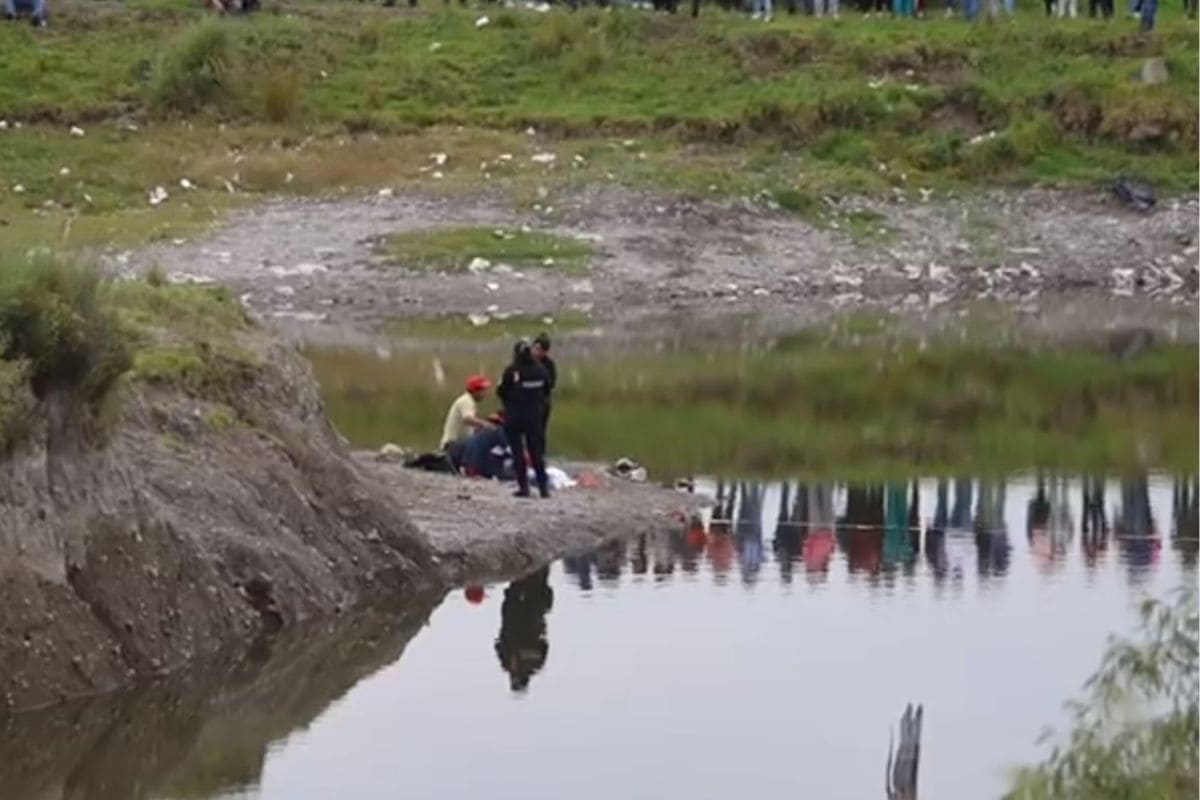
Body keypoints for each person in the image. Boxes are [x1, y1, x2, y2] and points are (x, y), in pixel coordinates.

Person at [497, 340, 551, 499]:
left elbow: (502, 391)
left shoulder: (511, 370)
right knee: (536, 453)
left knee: (517, 453)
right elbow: (547, 391)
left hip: (514, 416)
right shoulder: (541, 370)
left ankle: (524, 487)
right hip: (534, 417)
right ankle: (543, 488)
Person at [440, 374, 494, 460]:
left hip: (459, 444)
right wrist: (486, 425)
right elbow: (467, 419)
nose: (485, 394)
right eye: (483, 391)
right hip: (453, 445)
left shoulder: (469, 401)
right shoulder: (466, 401)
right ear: (476, 391)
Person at [532, 332, 557, 448]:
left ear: (545, 351)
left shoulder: (549, 365)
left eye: (539, 349)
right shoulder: (526, 362)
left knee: (540, 431)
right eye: (535, 348)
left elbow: (551, 384)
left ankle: (540, 456)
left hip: (542, 402)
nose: (536, 352)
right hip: (526, 403)